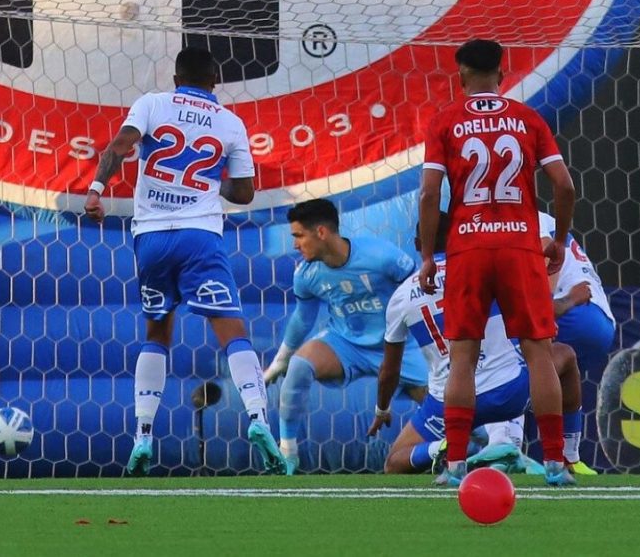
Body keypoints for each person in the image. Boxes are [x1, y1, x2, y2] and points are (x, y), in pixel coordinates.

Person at [84, 46, 284, 476]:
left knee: (157, 333)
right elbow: (245, 193)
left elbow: (120, 146)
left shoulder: (152, 104)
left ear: (176, 80)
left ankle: (142, 435)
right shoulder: (230, 122)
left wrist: (97, 189)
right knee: (231, 331)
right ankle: (257, 419)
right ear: (214, 82)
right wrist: (213, 187)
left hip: (152, 239)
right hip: (200, 239)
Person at [418, 38, 578, 487]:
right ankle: (553, 463)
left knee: (463, 356)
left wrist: (430, 255)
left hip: (468, 249)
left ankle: (452, 466)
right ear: (502, 75)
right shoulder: (528, 119)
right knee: (539, 352)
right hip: (520, 246)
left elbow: (431, 193)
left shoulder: (446, 121)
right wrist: (559, 240)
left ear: (462, 73)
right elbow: (564, 186)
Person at [368, 213, 583, 477]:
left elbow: (389, 370)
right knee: (563, 356)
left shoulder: (401, 297)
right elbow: (535, 321)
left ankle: (439, 448)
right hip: (509, 392)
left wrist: (382, 409)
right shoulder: (489, 273)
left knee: (394, 462)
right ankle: (568, 456)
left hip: (450, 404)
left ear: (417, 244)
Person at [262, 198, 428, 475]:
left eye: (299, 236)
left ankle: (495, 450)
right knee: (300, 366)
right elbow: (303, 317)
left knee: (448, 408)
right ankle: (287, 455)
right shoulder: (306, 274)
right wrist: (281, 361)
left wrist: (430, 342)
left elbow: (418, 290)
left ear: (322, 233)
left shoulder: (381, 256)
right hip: (346, 343)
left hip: (401, 347)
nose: (295, 244)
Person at [482, 211, 616, 476]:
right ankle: (570, 456)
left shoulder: (521, 213)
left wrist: (556, 306)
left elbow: (545, 264)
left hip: (577, 310)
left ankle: (505, 443)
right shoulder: (528, 215)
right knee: (560, 364)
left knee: (508, 348)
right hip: (600, 321)